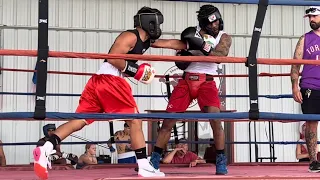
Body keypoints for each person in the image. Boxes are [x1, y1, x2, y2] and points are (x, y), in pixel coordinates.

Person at [33, 6, 187, 179]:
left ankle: (46, 147)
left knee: (79, 121)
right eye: (158, 22)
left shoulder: (145, 41)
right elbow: (114, 57)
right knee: (135, 121)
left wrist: (193, 43)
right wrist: (135, 71)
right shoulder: (129, 35)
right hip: (110, 81)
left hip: (99, 82)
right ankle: (144, 166)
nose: (159, 27)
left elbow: (169, 43)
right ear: (150, 22)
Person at [150, 4, 231, 175]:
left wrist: (198, 50)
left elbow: (220, 56)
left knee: (216, 120)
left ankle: (221, 160)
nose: (215, 25)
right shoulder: (192, 33)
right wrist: (151, 41)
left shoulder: (224, 37)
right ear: (203, 24)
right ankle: (154, 161)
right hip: (186, 80)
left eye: (217, 21)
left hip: (207, 82)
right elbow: (173, 43)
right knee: (168, 122)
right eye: (211, 24)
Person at [290, 6, 320, 172]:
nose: (311, 20)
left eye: (314, 16)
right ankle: (314, 161)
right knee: (311, 123)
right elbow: (295, 64)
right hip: (310, 86)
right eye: (309, 17)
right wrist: (295, 86)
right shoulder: (304, 39)